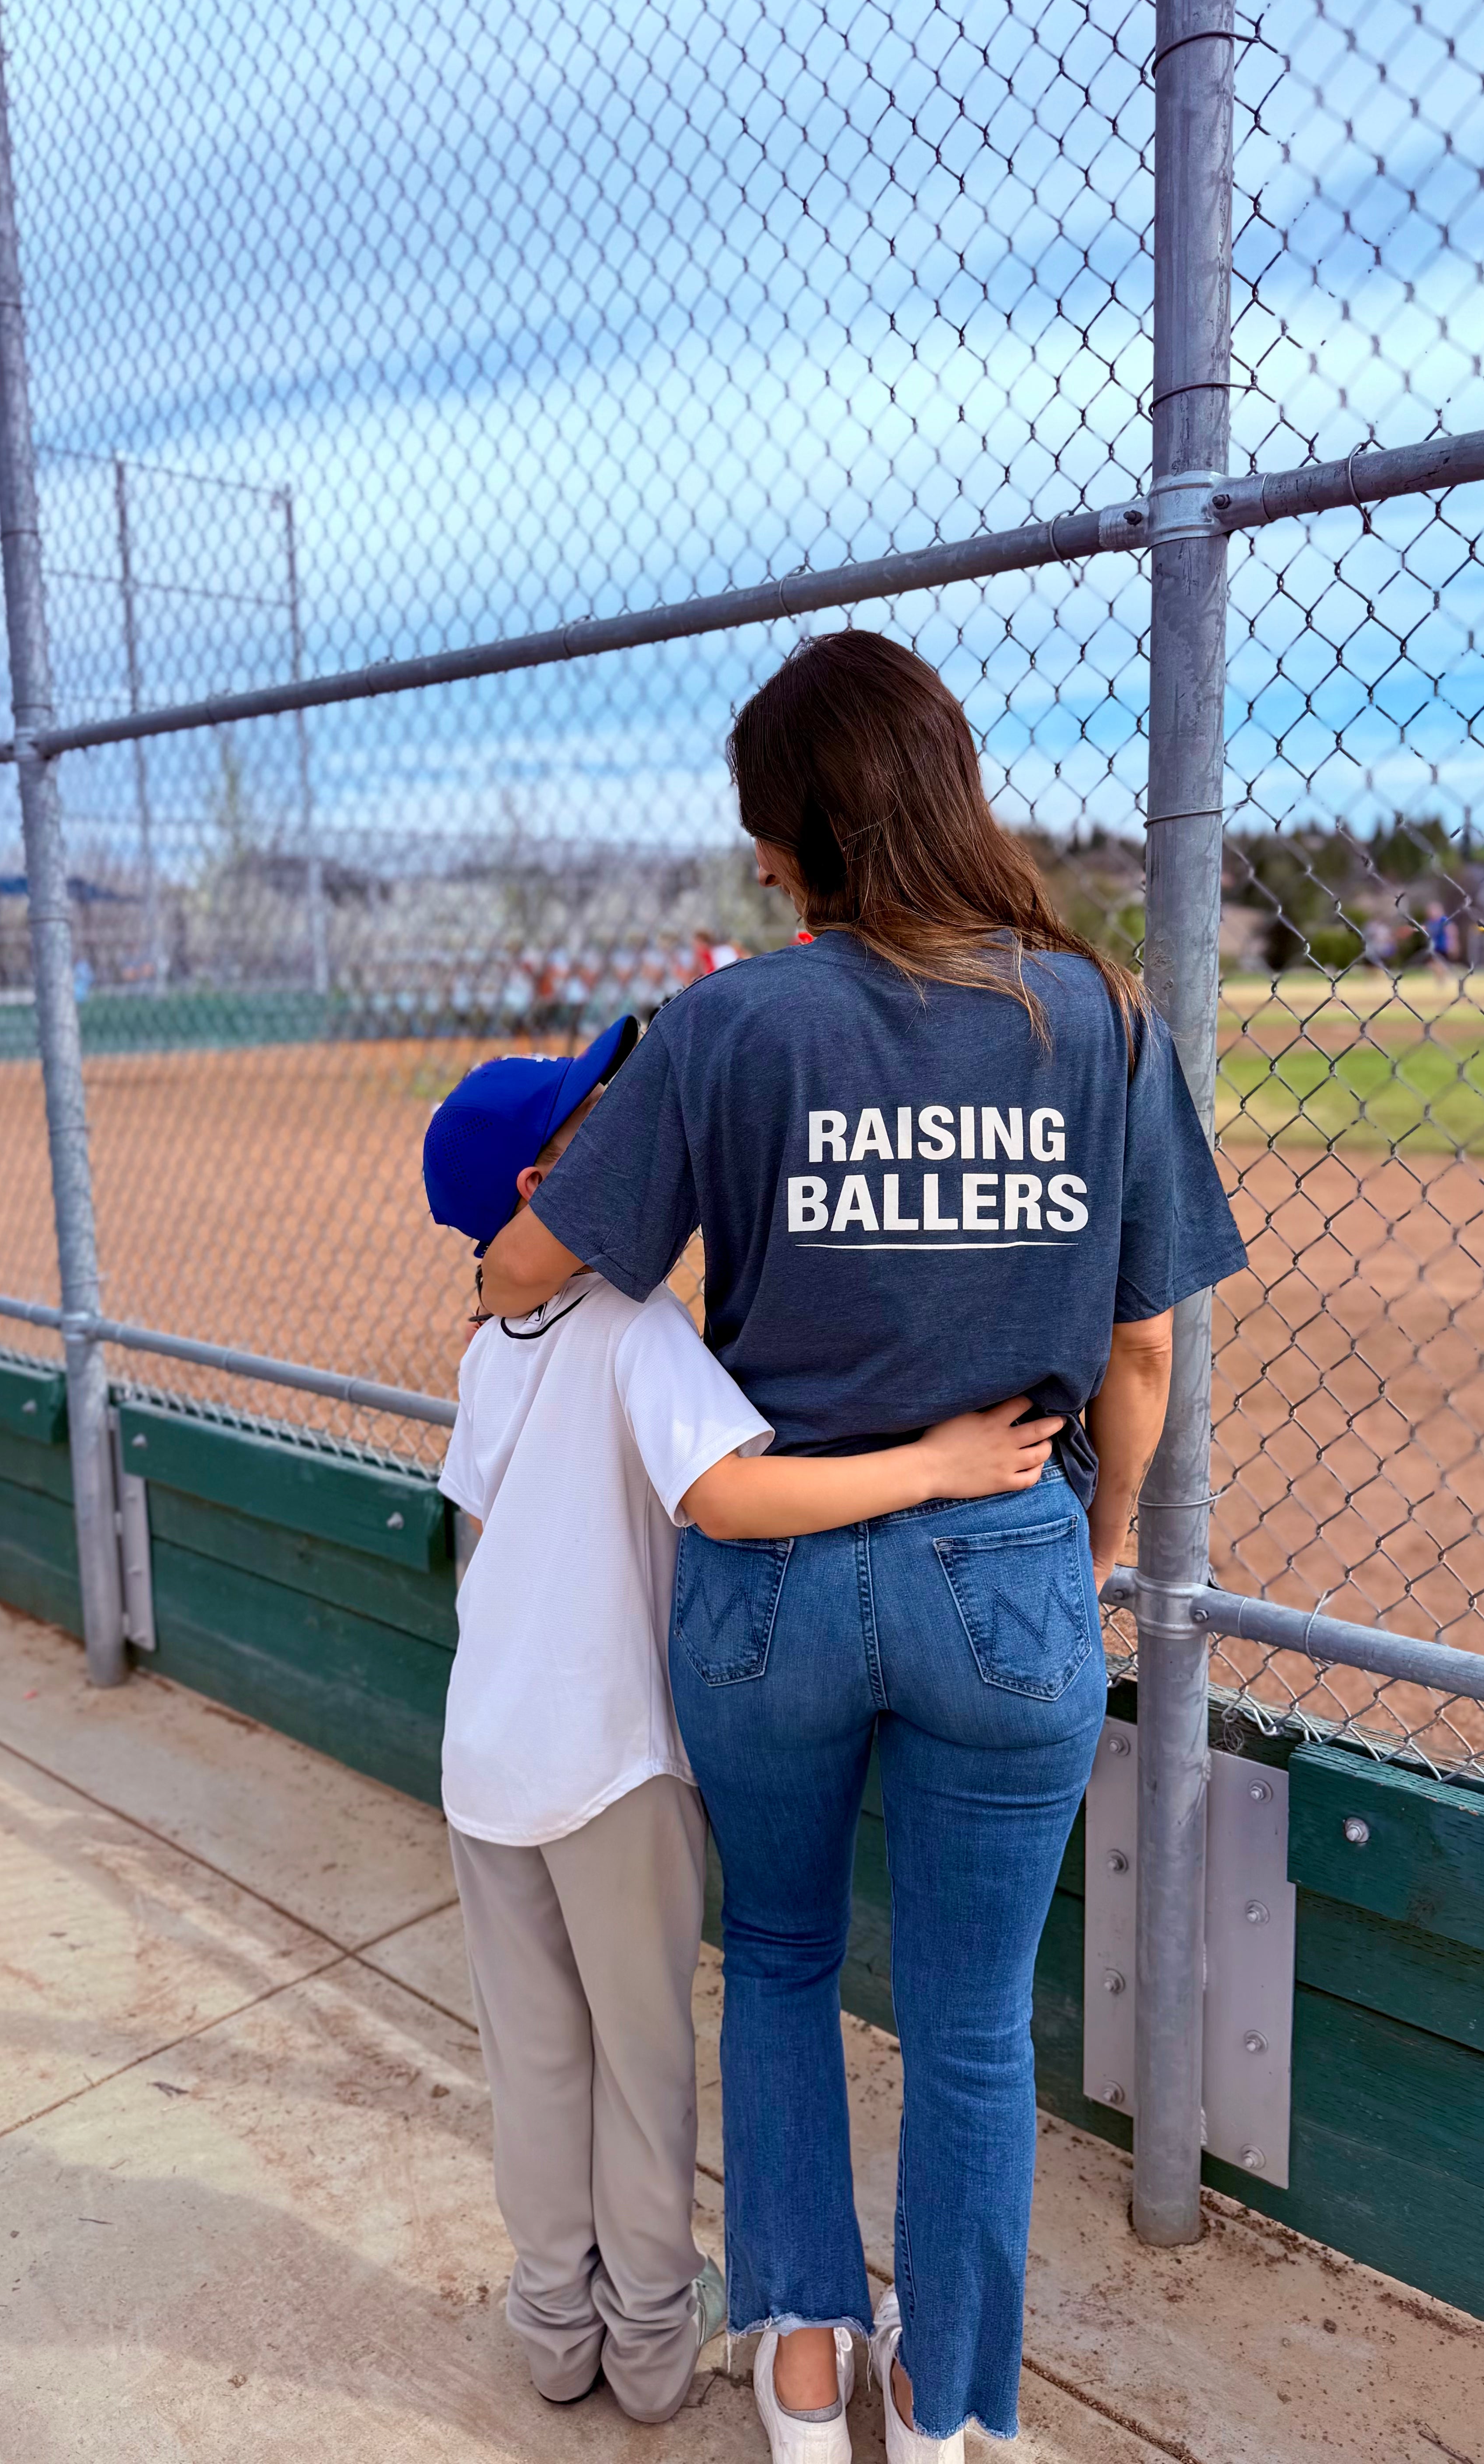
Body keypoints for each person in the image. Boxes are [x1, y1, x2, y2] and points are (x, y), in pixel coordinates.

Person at [477, 632, 1249, 2461]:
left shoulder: (733, 1023)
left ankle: (806, 2372)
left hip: (778, 1577)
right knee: (976, 2026)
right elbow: (1145, 1347)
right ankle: (952, 2399)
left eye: (768, 837)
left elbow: (528, 1272)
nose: (761, 866)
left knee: (784, 1959)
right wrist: (1099, 1535)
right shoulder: (1099, 1019)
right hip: (1010, 1562)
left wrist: (627, 1112)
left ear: (798, 837)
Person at [421, 1020, 1068, 2430]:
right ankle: (653, 2345)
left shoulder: (491, 1349)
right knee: (641, 2065)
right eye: (607, 1135)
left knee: (534, 2060)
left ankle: (552, 2328)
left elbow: (477, 1531)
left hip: (485, 1759)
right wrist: (935, 1464)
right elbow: (731, 1499)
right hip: (611, 1769)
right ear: (552, 1186)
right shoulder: (633, 1330)